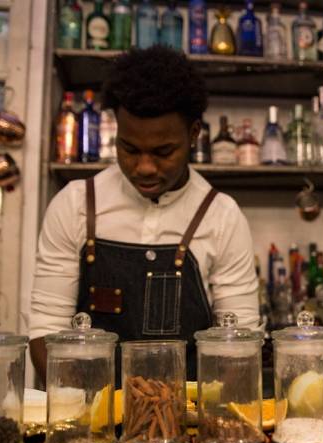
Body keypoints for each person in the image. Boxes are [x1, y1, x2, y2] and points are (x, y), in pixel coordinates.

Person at [28, 46, 258, 382]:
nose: (144, 168)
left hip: (188, 419)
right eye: (129, 149)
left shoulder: (222, 216)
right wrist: (84, 416)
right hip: (92, 417)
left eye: (163, 151)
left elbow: (240, 341)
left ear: (194, 134)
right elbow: (46, 331)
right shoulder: (77, 205)